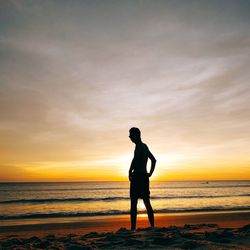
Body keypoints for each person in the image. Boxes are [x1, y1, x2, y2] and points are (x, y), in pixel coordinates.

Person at [128, 127, 156, 230]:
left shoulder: (139, 146)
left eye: (131, 135)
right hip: (144, 177)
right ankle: (152, 226)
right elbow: (153, 160)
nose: (130, 137)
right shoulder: (144, 146)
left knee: (134, 203)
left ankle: (133, 228)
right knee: (147, 202)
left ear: (137, 135)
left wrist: (130, 171)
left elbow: (135, 160)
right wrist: (150, 173)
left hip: (138, 177)